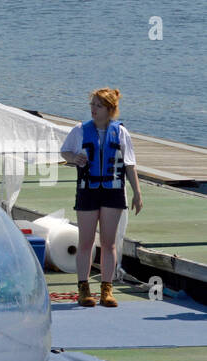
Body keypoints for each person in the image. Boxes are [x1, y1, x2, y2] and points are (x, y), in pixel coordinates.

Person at [59, 88, 143, 308]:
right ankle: (83, 287)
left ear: (110, 110)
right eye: (92, 105)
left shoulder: (121, 132)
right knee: (85, 242)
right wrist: (74, 157)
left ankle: (106, 288)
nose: (93, 109)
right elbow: (65, 151)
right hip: (88, 189)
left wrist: (137, 193)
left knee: (109, 243)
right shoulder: (80, 130)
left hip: (113, 190)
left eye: (98, 105)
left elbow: (129, 164)